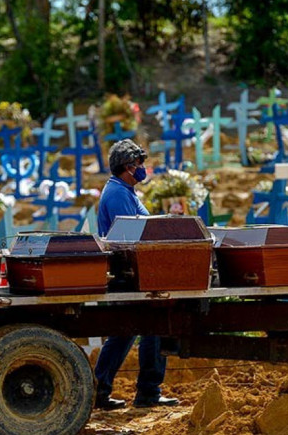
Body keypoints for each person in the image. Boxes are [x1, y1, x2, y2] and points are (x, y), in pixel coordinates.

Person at [94, 140, 179, 410]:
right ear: (127, 167)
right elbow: (134, 235)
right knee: (151, 327)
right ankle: (148, 392)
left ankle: (100, 390)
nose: (143, 169)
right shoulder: (119, 194)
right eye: (139, 164)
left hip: (132, 271)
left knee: (124, 334)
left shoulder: (125, 190)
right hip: (129, 273)